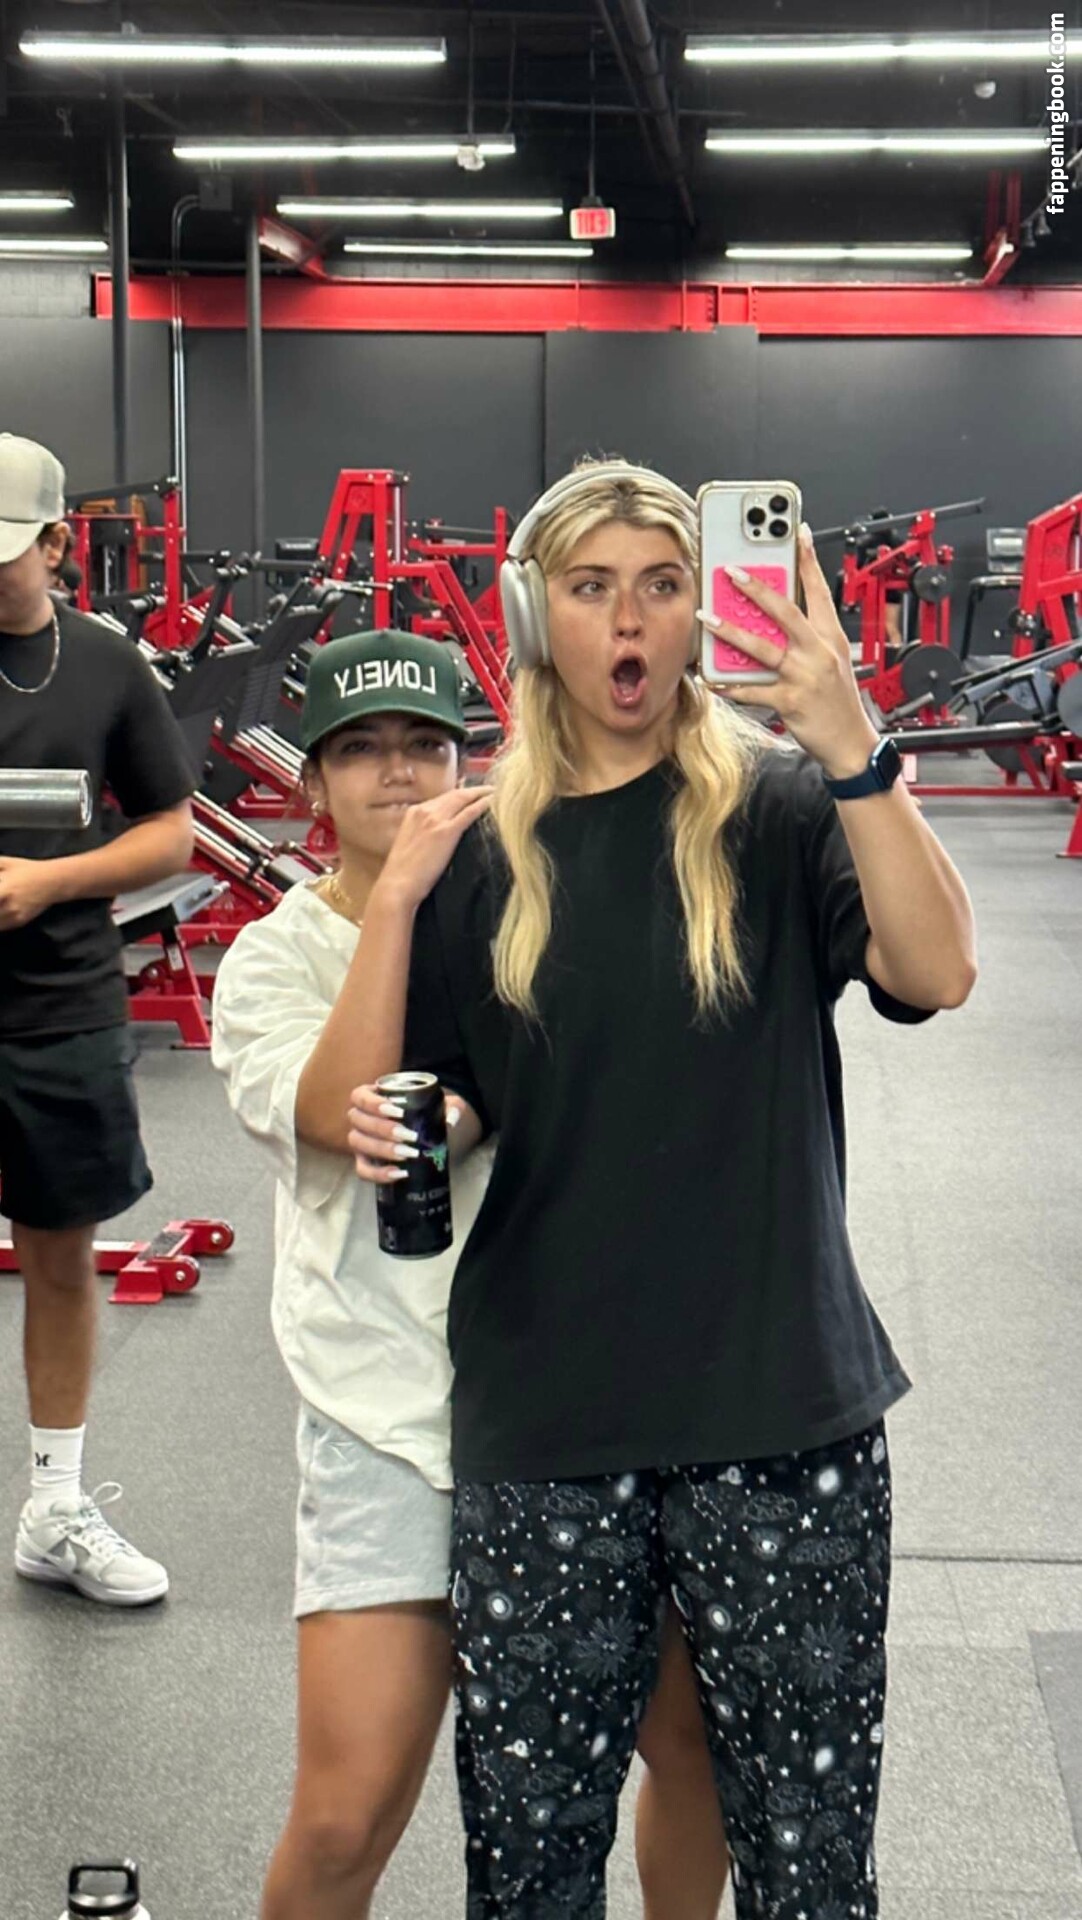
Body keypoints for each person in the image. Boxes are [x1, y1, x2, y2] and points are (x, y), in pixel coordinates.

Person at [349, 461, 977, 1918]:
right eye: (591, 589)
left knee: (809, 1871)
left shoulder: (780, 807)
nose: (628, 621)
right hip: (548, 1421)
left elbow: (936, 970)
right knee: (529, 1867)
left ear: (702, 610)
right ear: (537, 618)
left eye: (660, 585)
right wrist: (420, 1123)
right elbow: (460, 1081)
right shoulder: (475, 851)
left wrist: (850, 741)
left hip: (777, 1413)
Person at [210, 627, 731, 1920]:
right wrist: (395, 903)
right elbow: (344, 1115)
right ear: (311, 781)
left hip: (579, 1407)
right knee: (344, 1815)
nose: (395, 776)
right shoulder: (277, 957)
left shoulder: (540, 918)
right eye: (360, 752)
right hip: (388, 1414)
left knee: (691, 1753)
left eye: (422, 747)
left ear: (471, 762)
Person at [0, 432, 196, 1605]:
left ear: (55, 542)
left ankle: (56, 1506)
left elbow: (170, 835)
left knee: (60, 1258)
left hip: (58, 1005)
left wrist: (45, 883)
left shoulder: (108, 667)